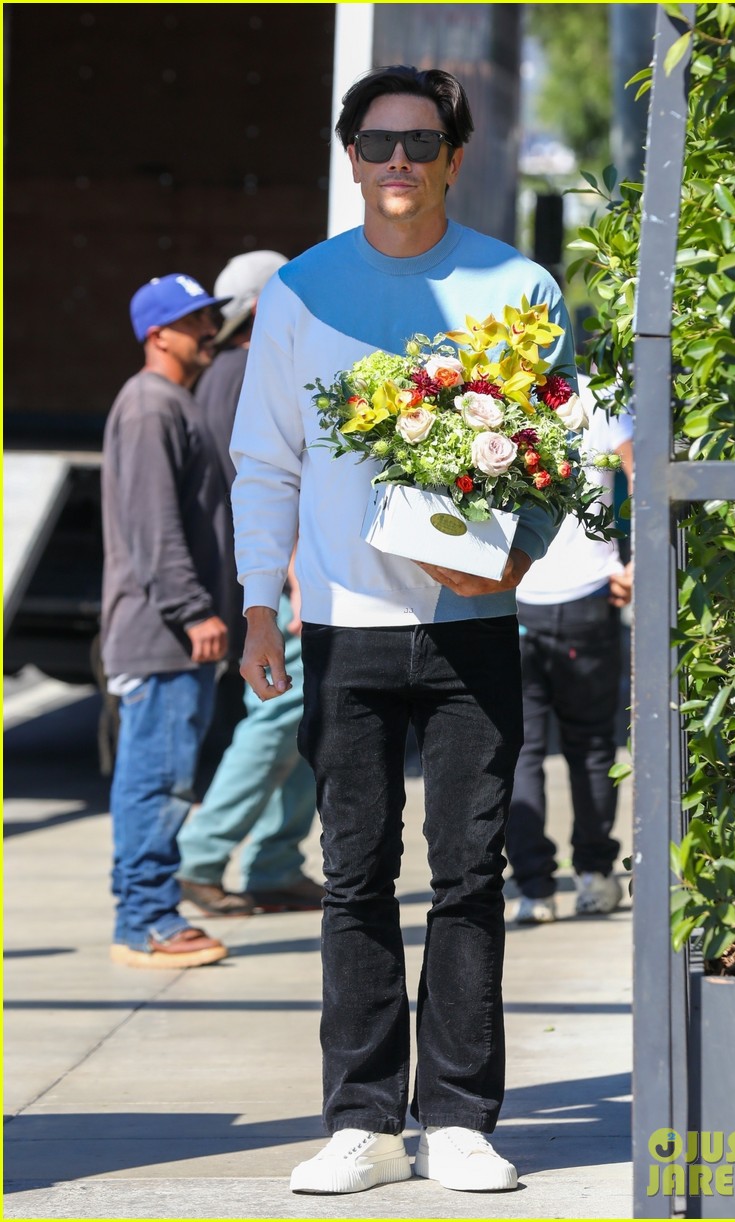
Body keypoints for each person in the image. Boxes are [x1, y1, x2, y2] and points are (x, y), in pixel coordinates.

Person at [230, 66, 574, 1194]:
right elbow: (264, 461)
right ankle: (366, 1121)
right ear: (348, 153)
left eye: (419, 145)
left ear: (453, 158)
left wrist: (516, 553)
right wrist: (257, 606)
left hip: (472, 621)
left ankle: (461, 1117)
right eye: (375, 142)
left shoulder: (515, 285)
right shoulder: (300, 292)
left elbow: (556, 449)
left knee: (470, 874)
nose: (396, 163)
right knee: (353, 879)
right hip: (341, 624)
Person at [176, 251, 323, 917]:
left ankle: (274, 862)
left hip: (272, 571)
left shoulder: (225, 372)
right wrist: (290, 566)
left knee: (305, 717)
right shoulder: (249, 372)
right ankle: (203, 857)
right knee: (279, 715)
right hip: (280, 574)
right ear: (266, 309)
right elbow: (264, 484)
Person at [101, 272, 233, 969]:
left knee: (156, 776)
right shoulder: (151, 406)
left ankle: (142, 912)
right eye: (194, 322)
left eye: (208, 319)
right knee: (158, 781)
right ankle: (147, 920)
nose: (208, 331)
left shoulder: (165, 402)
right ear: (159, 334)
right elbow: (155, 529)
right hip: (162, 635)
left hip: (166, 635)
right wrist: (193, 612)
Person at [506, 384, 633, 923]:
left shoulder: (489, 393)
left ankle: (536, 888)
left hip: (514, 592)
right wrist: (638, 564)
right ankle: (594, 875)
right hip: (581, 593)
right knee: (590, 747)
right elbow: (644, 474)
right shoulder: (602, 396)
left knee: (520, 750)